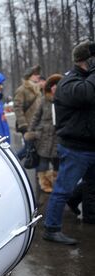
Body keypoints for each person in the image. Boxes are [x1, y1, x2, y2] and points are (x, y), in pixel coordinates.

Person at [43, 40, 95, 244]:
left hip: (90, 146)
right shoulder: (68, 83)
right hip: (75, 149)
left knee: (91, 185)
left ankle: (83, 208)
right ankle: (51, 228)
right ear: (88, 61)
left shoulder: (87, 79)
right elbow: (86, 94)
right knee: (62, 188)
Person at [24, 73, 62, 193]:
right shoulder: (43, 100)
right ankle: (44, 185)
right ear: (50, 87)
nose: (54, 88)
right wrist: (30, 132)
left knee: (57, 162)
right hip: (43, 136)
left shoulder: (64, 100)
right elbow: (36, 117)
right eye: (53, 86)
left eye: (57, 85)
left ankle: (57, 183)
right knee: (43, 163)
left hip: (58, 136)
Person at [14, 65, 42, 160]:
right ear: (29, 76)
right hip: (28, 126)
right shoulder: (22, 90)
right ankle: (14, 161)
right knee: (28, 149)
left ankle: (39, 174)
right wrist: (24, 125)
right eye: (35, 74)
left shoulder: (38, 89)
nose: (38, 76)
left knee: (37, 150)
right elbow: (18, 108)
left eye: (38, 74)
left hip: (37, 125)